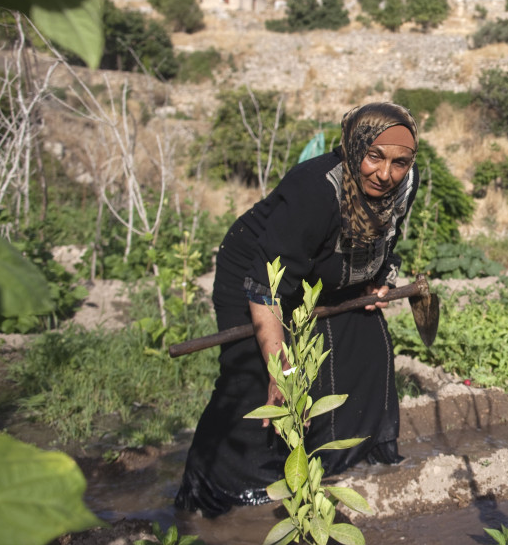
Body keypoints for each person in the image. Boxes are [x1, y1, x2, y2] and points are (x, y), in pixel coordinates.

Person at [176, 102, 420, 517]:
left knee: (365, 347)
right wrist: (281, 370)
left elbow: (385, 238)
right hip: (257, 272)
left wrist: (381, 279)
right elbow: (264, 286)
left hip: (329, 267)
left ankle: (337, 462)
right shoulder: (315, 189)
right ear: (351, 147)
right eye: (374, 156)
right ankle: (227, 494)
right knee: (255, 381)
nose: (385, 173)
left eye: (400, 162)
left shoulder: (404, 183)